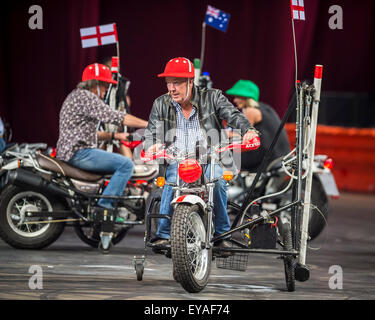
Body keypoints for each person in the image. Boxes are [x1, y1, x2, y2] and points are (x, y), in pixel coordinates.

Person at [144, 57, 259, 250]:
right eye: (168, 83)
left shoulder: (213, 97)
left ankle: (221, 235)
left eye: (177, 83)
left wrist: (248, 130)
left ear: (190, 82)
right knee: (170, 182)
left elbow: (233, 115)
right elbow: (152, 133)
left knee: (217, 181)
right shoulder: (160, 103)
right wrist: (152, 145)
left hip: (209, 158)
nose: (171, 88)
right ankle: (163, 234)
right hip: (177, 160)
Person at [56, 63, 148, 210]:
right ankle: (104, 207)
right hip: (79, 153)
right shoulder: (86, 97)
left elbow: (87, 134)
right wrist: (148, 124)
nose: (106, 91)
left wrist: (116, 136)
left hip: (71, 152)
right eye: (105, 86)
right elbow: (116, 116)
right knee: (126, 164)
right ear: (95, 84)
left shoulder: (76, 96)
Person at [226, 80, 290, 171]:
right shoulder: (265, 108)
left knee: (227, 155)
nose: (235, 100)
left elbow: (243, 136)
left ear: (246, 98)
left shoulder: (250, 110)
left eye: (238, 97)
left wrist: (227, 133)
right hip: (281, 155)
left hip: (268, 158)